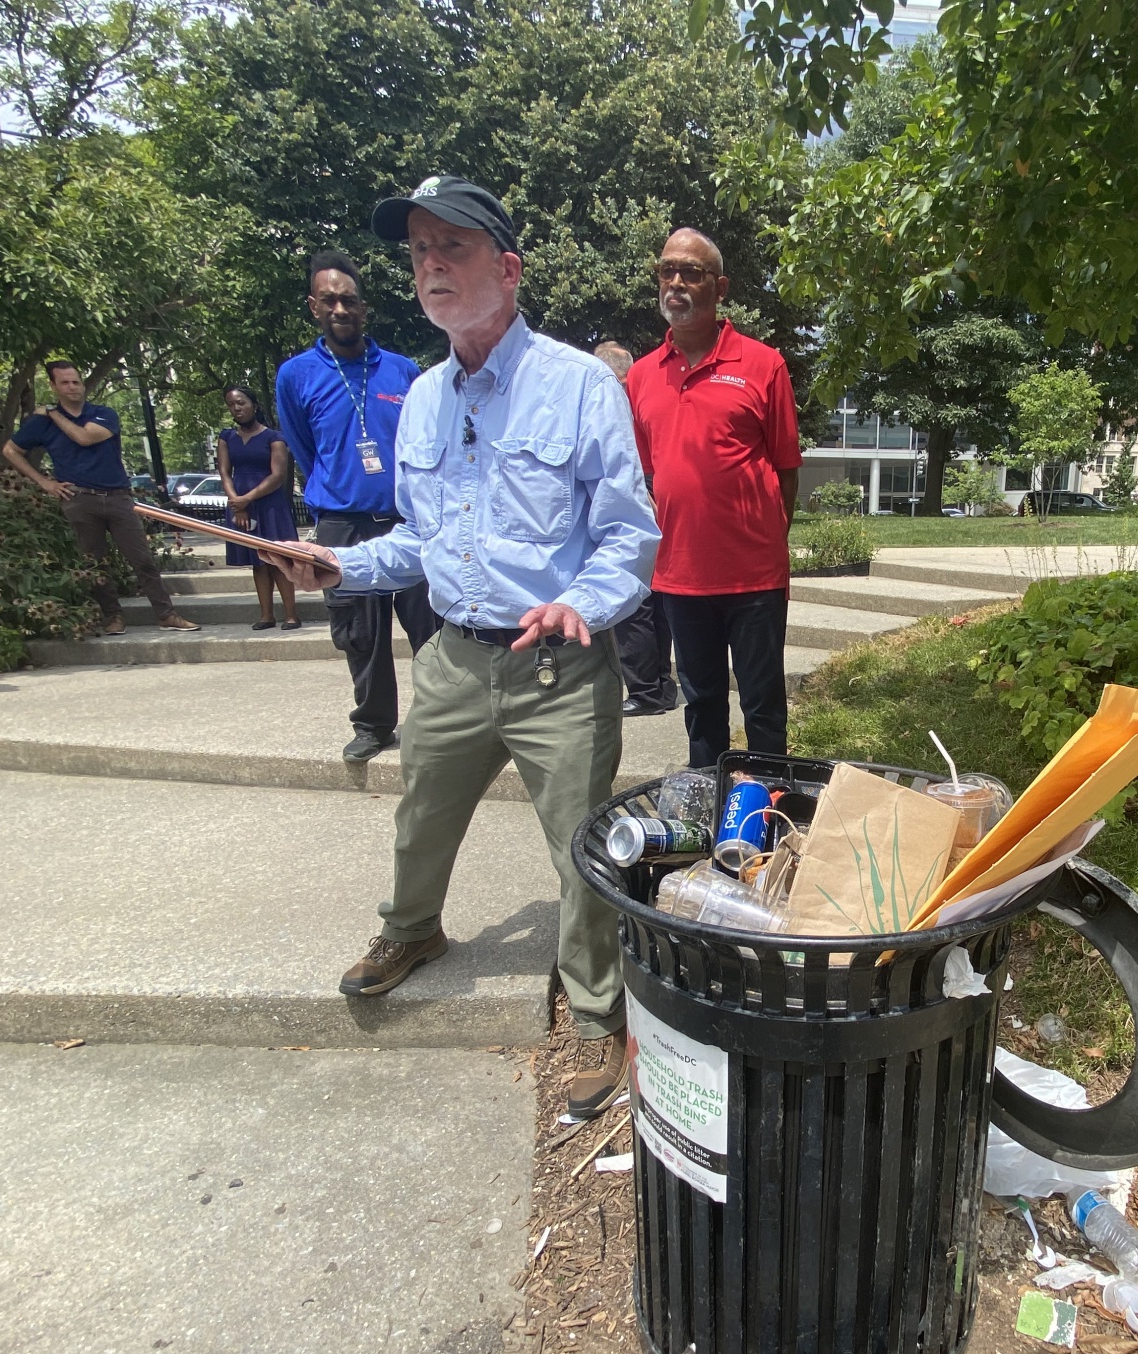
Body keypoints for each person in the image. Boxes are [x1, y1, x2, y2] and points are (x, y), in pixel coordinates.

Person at [269, 176, 658, 1120]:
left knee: (582, 846)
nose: (430, 265)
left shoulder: (579, 385)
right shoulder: (423, 398)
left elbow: (629, 535)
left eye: (453, 246)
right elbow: (420, 539)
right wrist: (340, 565)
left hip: (558, 665)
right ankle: (413, 930)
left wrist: (579, 604)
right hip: (451, 656)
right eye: (418, 251)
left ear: (508, 268)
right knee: (421, 814)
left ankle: (598, 1013)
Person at [626, 229, 801, 768]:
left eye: (692, 272)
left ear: (720, 287)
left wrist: (764, 541)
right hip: (680, 577)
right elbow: (651, 474)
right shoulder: (641, 376)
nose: (676, 282)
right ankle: (709, 801)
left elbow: (786, 470)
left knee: (763, 706)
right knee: (701, 707)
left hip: (753, 578)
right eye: (667, 270)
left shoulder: (764, 365)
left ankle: (771, 805)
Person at [275, 250, 438, 762]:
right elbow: (304, 449)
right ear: (313, 306)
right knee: (360, 633)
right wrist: (340, 489)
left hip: (406, 521)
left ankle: (440, 721)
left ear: (364, 308)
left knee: (430, 630)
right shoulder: (296, 375)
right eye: (329, 300)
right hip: (342, 524)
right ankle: (373, 724)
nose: (340, 309)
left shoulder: (402, 371)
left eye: (349, 300)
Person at [1, 360, 199, 634]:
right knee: (95, 563)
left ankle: (166, 614)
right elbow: (10, 450)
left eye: (76, 382)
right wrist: (44, 482)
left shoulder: (103, 414)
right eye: (65, 383)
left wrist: (53, 413)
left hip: (117, 497)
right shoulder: (40, 424)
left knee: (142, 559)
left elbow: (84, 437)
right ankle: (113, 617)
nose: (72, 387)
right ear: (54, 386)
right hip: (79, 499)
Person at [595, 339, 677, 718]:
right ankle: (659, 687)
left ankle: (646, 691)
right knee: (654, 600)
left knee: (634, 603)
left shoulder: (612, 400)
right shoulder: (646, 394)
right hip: (653, 493)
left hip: (636, 494)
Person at [216, 386, 301, 630]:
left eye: (241, 402)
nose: (236, 408)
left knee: (278, 559)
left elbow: (277, 475)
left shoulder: (274, 438)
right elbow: (224, 472)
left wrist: (248, 498)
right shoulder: (226, 438)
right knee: (257, 561)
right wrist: (237, 503)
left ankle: (291, 615)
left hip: (270, 505)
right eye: (231, 404)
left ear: (254, 405)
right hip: (241, 506)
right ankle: (266, 615)